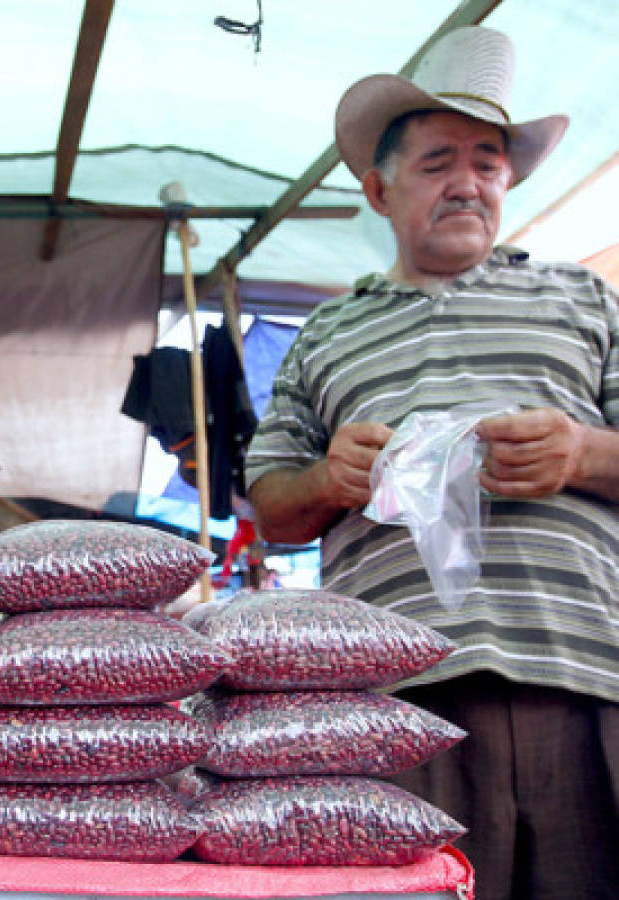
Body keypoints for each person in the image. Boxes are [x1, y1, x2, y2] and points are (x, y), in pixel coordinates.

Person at [244, 27, 618, 900]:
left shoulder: (584, 298)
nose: (467, 183)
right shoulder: (326, 334)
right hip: (393, 702)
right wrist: (328, 480)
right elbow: (271, 506)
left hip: (583, 672)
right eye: (437, 161)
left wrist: (580, 451)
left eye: (487, 162)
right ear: (378, 189)